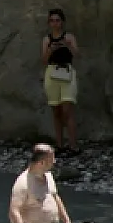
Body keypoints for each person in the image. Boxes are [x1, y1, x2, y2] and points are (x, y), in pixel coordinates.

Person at [11, 144, 74, 223]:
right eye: (52, 159)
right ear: (42, 162)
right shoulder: (23, 183)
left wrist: (66, 220)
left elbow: (55, 197)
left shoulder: (48, 176)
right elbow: (14, 213)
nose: (54, 162)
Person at [43, 9, 80, 152]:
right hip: (52, 73)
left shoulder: (69, 37)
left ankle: (73, 145)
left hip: (67, 73)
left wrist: (68, 45)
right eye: (52, 20)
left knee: (67, 110)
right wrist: (50, 49)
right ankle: (59, 145)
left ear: (62, 22)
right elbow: (43, 60)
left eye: (57, 20)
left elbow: (78, 54)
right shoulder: (47, 39)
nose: (55, 23)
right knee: (56, 111)